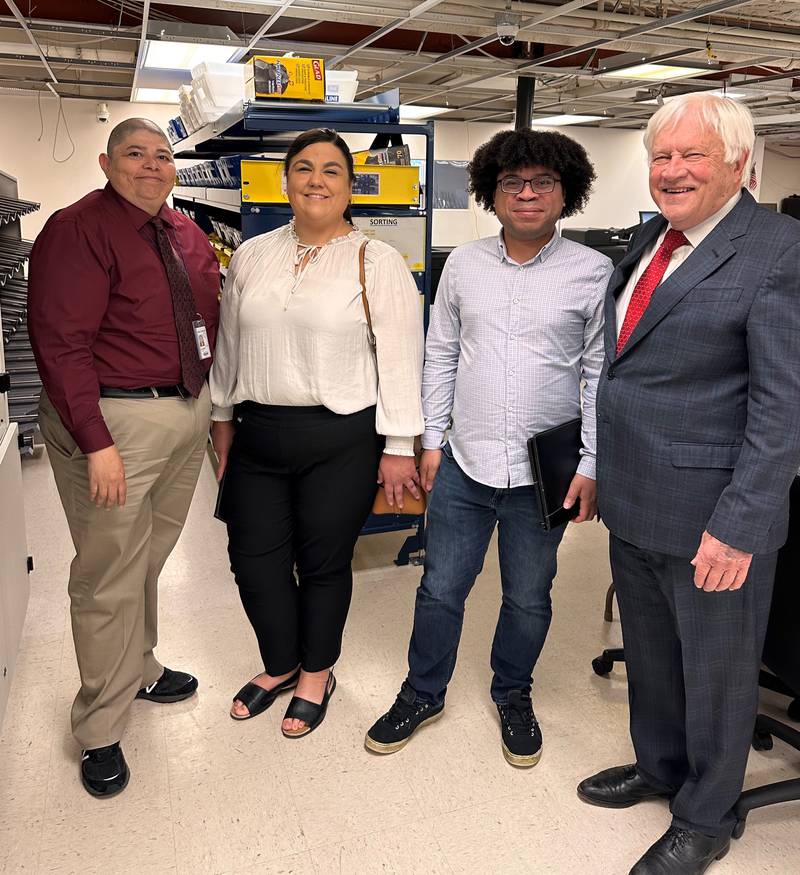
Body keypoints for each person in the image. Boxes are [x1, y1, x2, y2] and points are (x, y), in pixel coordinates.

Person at [578, 93, 800, 874]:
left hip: (714, 513)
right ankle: (659, 767)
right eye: (662, 155)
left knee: (716, 670)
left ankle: (707, 814)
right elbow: (630, 369)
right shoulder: (653, 237)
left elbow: (783, 411)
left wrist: (740, 524)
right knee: (650, 652)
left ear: (738, 161)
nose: (672, 171)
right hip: (637, 500)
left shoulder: (778, 250)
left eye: (692, 155)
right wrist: (601, 469)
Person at [365, 129, 613, 766]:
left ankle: (513, 694)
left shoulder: (593, 273)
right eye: (512, 184)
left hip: (543, 476)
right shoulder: (464, 267)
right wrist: (429, 441)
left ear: (566, 194)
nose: (527, 194)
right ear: (491, 194)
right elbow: (441, 356)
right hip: (464, 465)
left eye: (542, 184)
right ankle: (423, 692)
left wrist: (590, 463)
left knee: (529, 596)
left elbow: (597, 377)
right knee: (441, 588)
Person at [27, 118, 220, 797]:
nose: (151, 165)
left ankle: (140, 666)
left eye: (162, 155)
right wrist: (96, 442)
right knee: (108, 571)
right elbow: (59, 343)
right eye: (135, 153)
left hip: (182, 414)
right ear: (108, 163)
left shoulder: (186, 233)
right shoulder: (76, 229)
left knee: (148, 555)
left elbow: (205, 325)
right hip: (113, 421)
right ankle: (100, 726)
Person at [210, 128, 424, 738]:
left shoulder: (375, 262)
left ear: (350, 186)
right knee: (252, 560)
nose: (316, 181)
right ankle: (280, 663)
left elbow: (401, 359)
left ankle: (316, 672)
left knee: (323, 562)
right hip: (259, 431)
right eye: (303, 168)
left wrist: (400, 447)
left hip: (342, 436)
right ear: (285, 180)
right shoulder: (253, 255)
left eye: (331, 170)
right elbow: (230, 343)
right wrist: (222, 415)